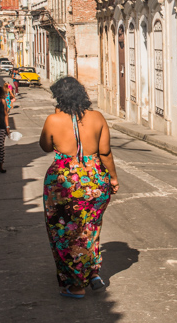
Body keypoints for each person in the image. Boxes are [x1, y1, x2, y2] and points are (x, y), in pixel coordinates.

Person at [39, 77, 119, 299]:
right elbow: (105, 153)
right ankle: (92, 272)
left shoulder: (53, 120)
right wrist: (113, 179)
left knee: (65, 233)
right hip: (95, 180)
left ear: (59, 97)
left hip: (64, 184)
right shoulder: (98, 117)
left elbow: (45, 146)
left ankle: (77, 284)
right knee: (90, 228)